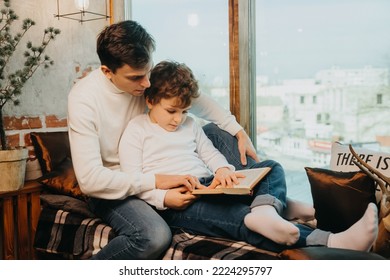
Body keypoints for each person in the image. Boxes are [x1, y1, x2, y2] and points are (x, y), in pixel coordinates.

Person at [119, 60, 379, 253]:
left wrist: (223, 170)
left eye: (185, 111)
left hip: (210, 184)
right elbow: (134, 181)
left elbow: (210, 154)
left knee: (271, 167)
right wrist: (165, 198)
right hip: (180, 201)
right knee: (244, 222)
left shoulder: (190, 125)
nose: (178, 119)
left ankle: (266, 209)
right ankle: (332, 241)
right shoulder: (137, 130)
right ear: (151, 100)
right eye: (172, 111)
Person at [67, 20, 261, 259]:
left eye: (148, 72)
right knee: (154, 235)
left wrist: (239, 131)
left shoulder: (146, 79)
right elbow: (90, 181)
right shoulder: (83, 99)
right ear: (108, 71)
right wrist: (159, 184)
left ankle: (261, 198)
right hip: (115, 185)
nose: (147, 84)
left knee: (218, 132)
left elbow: (200, 102)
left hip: (161, 166)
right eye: (137, 77)